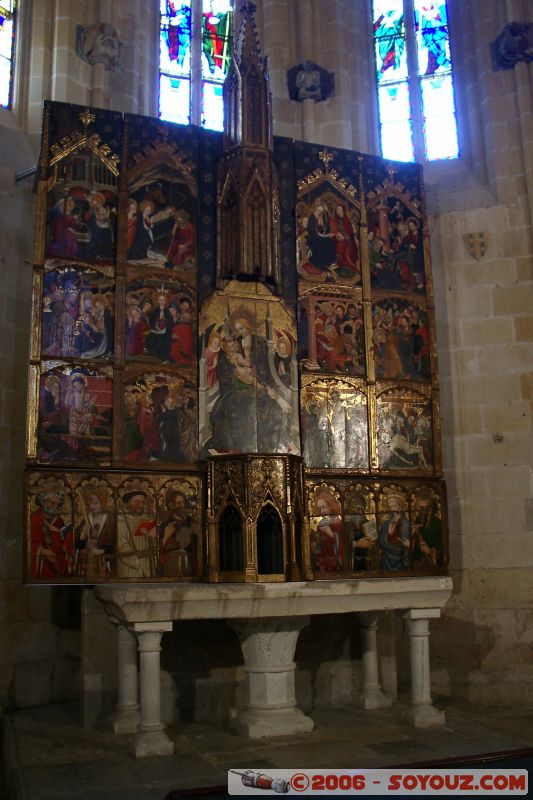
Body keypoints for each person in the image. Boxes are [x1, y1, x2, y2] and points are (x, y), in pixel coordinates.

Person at [30, 490, 73, 578]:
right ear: (43, 502)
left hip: (59, 560)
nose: (55, 506)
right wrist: (42, 551)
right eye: (52, 503)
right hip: (44, 561)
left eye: (58, 504)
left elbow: (64, 540)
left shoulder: (59, 520)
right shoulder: (35, 519)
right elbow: (30, 541)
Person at [116, 490, 157, 578]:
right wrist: (137, 561)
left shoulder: (148, 517)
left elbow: (155, 543)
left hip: (148, 562)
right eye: (137, 501)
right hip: (129, 564)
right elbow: (121, 544)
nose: (141, 505)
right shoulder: (120, 520)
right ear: (128, 502)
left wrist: (153, 536)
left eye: (142, 502)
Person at [75, 492, 114, 578]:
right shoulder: (85, 519)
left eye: (95, 504)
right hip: (85, 559)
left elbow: (117, 541)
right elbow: (77, 545)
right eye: (90, 504)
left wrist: (102, 550)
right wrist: (83, 534)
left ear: (103, 503)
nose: (92, 507)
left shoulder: (110, 518)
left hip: (102, 559)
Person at [158, 490, 196, 577]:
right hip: (172, 564)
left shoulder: (191, 522)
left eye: (183, 503)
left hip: (190, 565)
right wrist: (166, 537)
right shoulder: (165, 524)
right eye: (179, 503)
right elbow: (158, 549)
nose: (182, 506)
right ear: (171, 505)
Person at [344, 492, 377, 572]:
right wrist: (356, 544)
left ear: (363, 510)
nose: (356, 512)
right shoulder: (346, 525)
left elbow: (374, 542)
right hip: (351, 559)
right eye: (354, 510)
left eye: (359, 509)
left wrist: (371, 543)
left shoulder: (367, 523)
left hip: (365, 557)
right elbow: (343, 542)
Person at [313, 493, 344, 572]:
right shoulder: (322, 522)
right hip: (324, 554)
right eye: (320, 508)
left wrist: (329, 532)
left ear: (331, 506)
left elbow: (341, 540)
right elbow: (319, 540)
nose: (322, 511)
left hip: (333, 555)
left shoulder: (337, 521)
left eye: (324, 507)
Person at [411, 489, 443, 568]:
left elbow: (439, 540)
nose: (421, 511)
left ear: (430, 509)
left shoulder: (436, 522)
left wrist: (430, 549)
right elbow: (416, 535)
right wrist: (413, 533)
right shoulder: (418, 519)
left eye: (423, 508)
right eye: (420, 508)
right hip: (419, 555)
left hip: (431, 555)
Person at [379, 494, 410, 572]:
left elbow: (407, 544)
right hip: (386, 560)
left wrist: (405, 544)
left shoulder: (406, 524)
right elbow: (380, 541)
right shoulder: (386, 523)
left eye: (395, 506)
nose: (393, 509)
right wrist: (388, 535)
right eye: (390, 506)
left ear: (400, 506)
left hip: (400, 559)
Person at [145, 293, 173, 362]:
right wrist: (156, 326)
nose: (162, 302)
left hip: (165, 332)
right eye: (160, 300)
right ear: (158, 301)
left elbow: (170, 322)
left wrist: (165, 327)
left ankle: (163, 357)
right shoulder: (155, 310)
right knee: (151, 337)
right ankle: (154, 355)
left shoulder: (167, 312)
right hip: (156, 329)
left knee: (164, 340)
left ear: (165, 301)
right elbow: (151, 319)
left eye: (163, 300)